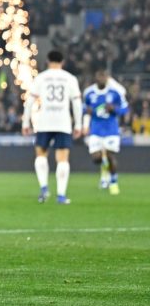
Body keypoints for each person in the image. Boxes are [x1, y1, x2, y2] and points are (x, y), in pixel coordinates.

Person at [22, 50, 83, 204]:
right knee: (62, 159)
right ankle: (61, 195)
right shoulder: (70, 78)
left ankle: (44, 189)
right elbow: (77, 103)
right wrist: (78, 124)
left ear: (48, 61)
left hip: (44, 121)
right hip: (63, 122)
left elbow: (30, 102)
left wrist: (26, 123)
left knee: (41, 155)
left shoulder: (41, 77)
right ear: (62, 62)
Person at [83, 69, 129, 195]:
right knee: (96, 158)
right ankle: (104, 171)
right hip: (95, 130)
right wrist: (86, 113)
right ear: (96, 78)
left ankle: (113, 181)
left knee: (110, 156)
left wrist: (114, 109)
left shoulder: (114, 92)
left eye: (104, 77)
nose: (102, 79)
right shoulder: (89, 93)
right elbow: (83, 108)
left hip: (111, 130)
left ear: (107, 79)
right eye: (99, 77)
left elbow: (125, 109)